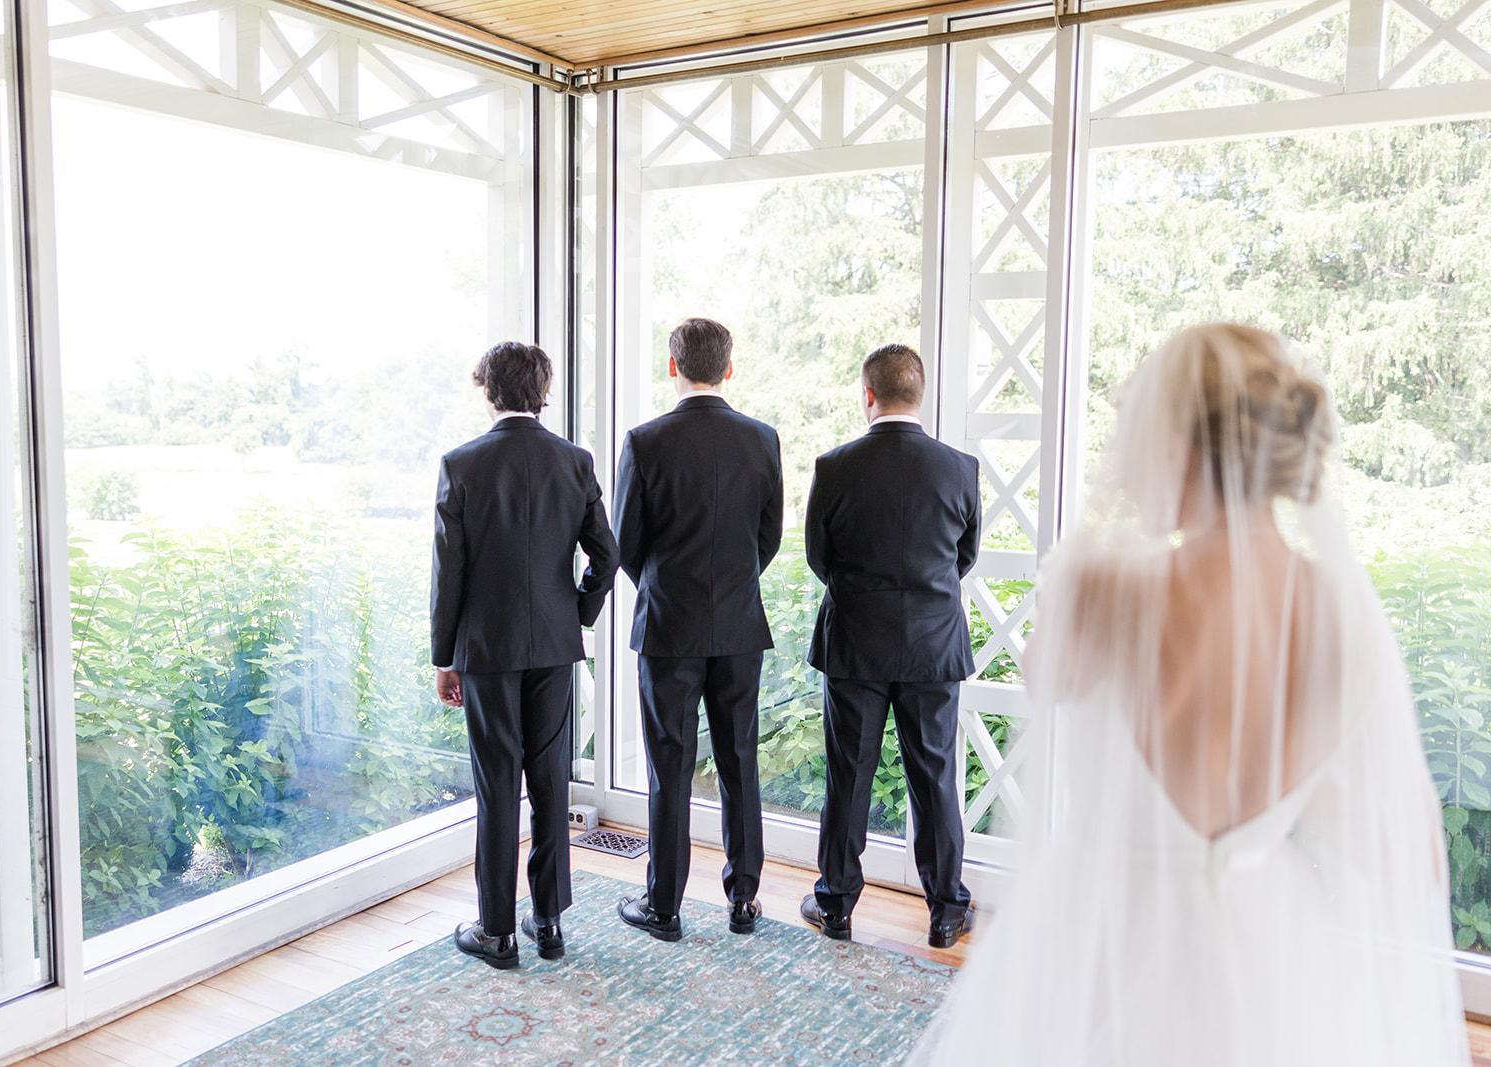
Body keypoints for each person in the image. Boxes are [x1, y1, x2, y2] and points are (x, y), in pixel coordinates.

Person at [910, 324, 1468, 1065]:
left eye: (1137, 436)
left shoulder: (1107, 587)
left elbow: (1048, 681)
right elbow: (1410, 849)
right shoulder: (1342, 615)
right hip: (1263, 942)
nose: (1122, 469)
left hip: (1106, 931)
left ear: (1181, 448)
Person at [431, 341, 618, 970]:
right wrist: (577, 612)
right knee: (550, 784)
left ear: (490, 391)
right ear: (543, 392)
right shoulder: (574, 460)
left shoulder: (461, 464)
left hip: (487, 649)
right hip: (555, 648)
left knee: (497, 788)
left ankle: (496, 932)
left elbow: (449, 573)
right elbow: (607, 555)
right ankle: (550, 922)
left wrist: (444, 656)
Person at [801, 344, 981, 949]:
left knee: (848, 777)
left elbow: (819, 557)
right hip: (933, 646)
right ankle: (946, 911)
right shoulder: (960, 469)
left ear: (867, 395)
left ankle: (836, 905)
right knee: (935, 778)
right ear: (920, 394)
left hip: (856, 643)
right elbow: (963, 557)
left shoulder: (835, 467)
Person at [612, 317, 783, 940]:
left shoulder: (644, 442)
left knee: (670, 767)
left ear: (672, 366)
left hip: (667, 628)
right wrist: (732, 584)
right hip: (739, 625)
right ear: (728, 368)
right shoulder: (763, 440)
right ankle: (744, 901)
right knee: (740, 762)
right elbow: (768, 537)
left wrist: (664, 585)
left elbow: (625, 543)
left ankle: (664, 906)